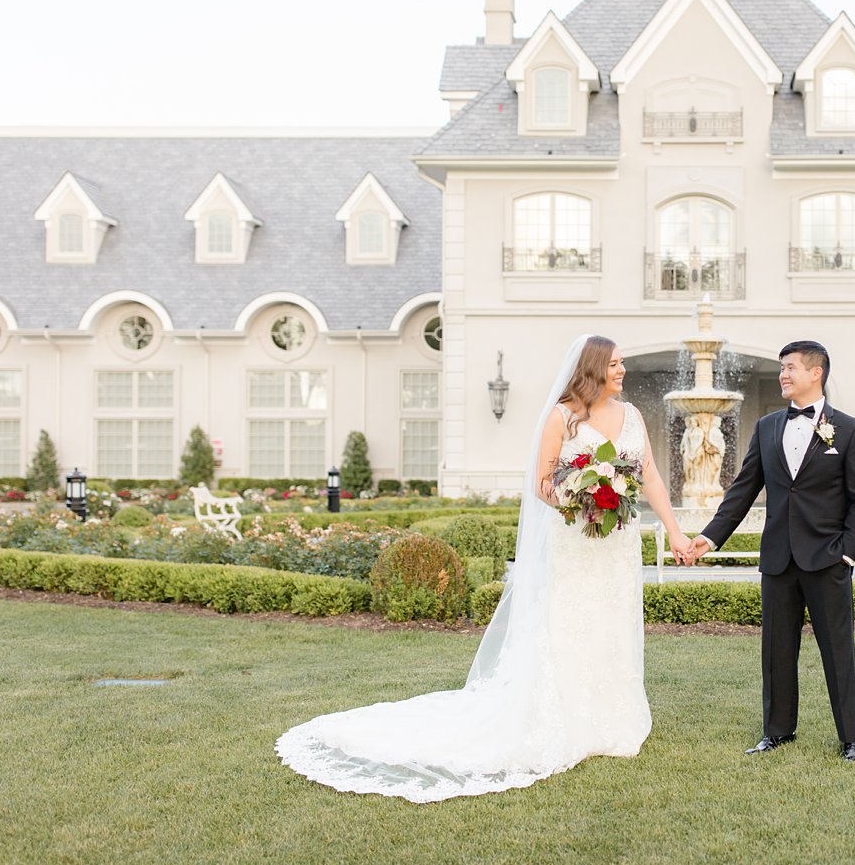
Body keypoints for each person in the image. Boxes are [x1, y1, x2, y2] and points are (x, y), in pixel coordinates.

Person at [276, 334, 693, 802]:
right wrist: (579, 498)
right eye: (614, 364)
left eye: (622, 364)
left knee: (613, 623)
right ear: (593, 368)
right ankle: (567, 720)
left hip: (617, 544)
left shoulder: (632, 416)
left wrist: (675, 531)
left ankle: (613, 718)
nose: (622, 371)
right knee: (570, 624)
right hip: (574, 540)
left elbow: (650, 475)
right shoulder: (561, 417)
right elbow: (541, 483)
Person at [685, 340, 855, 763]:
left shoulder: (849, 429)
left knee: (838, 651)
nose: (783, 375)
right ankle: (777, 732)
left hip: (827, 559)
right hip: (777, 560)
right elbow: (741, 491)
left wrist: (848, 554)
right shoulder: (768, 427)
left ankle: (852, 739)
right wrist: (710, 536)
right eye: (782, 368)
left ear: (816, 373)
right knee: (775, 651)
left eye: (790, 368)